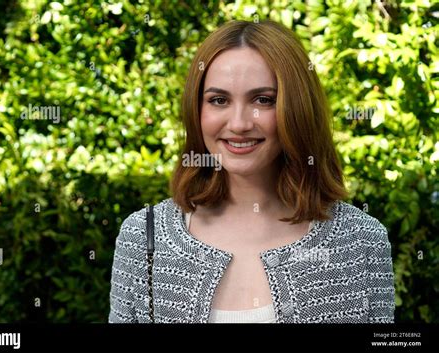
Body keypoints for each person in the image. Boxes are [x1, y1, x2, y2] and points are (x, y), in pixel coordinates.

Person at [109, 19, 395, 323]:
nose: (239, 123)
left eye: (263, 100)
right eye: (219, 100)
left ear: (296, 108)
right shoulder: (143, 237)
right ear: (197, 110)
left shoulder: (361, 240)